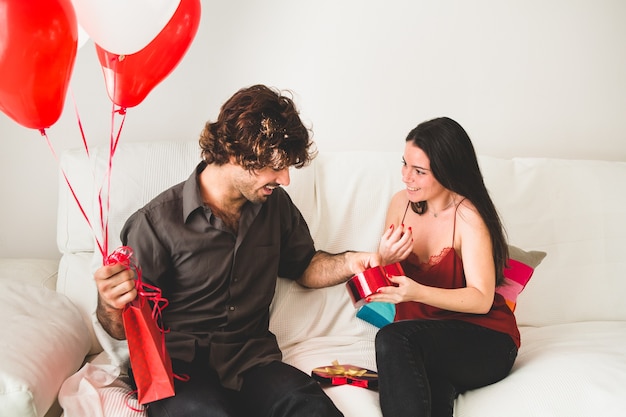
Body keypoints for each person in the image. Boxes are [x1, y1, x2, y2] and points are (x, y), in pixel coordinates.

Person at [94, 84, 379, 417]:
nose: (285, 179)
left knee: (312, 408)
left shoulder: (275, 206)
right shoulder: (155, 223)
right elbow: (124, 328)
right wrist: (109, 305)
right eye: (275, 167)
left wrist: (350, 262)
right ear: (235, 154)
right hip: (179, 366)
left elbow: (304, 266)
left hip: (251, 360)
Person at [367, 117, 519, 417]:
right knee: (430, 394)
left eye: (419, 171)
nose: (406, 177)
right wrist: (382, 259)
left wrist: (417, 292)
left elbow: (480, 299)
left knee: (391, 338)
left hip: (486, 339)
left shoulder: (467, 217)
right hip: (425, 342)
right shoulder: (401, 204)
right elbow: (385, 285)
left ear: (447, 172)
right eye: (405, 164)